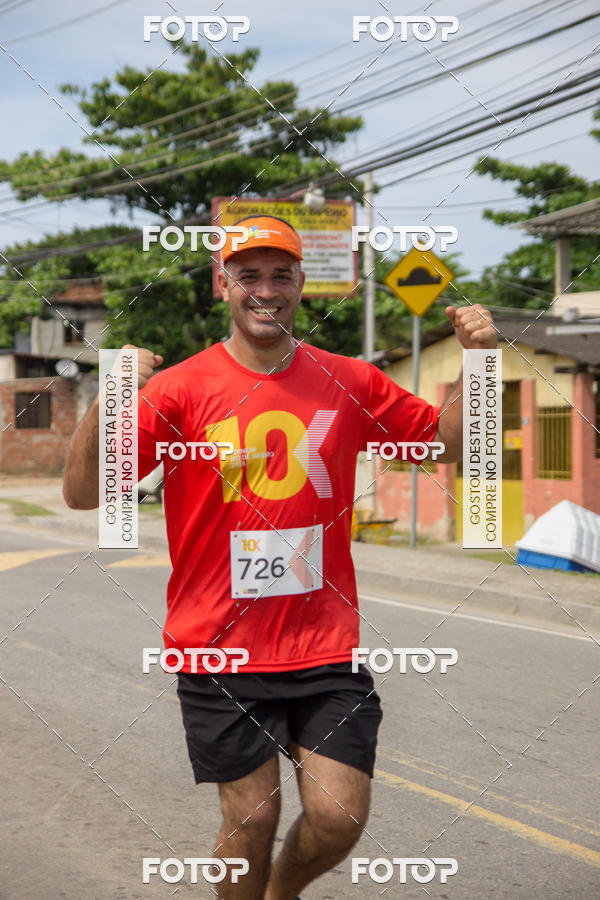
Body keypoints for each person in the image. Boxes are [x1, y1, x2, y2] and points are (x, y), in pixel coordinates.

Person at [63, 214, 497, 899]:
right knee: (253, 817)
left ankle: (280, 893)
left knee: (338, 816)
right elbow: (83, 493)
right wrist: (109, 401)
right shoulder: (178, 389)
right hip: (218, 648)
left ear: (301, 285)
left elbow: (446, 444)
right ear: (222, 284)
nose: (265, 289)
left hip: (325, 648)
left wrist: (479, 363)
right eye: (249, 275)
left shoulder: (348, 378)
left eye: (281, 275)